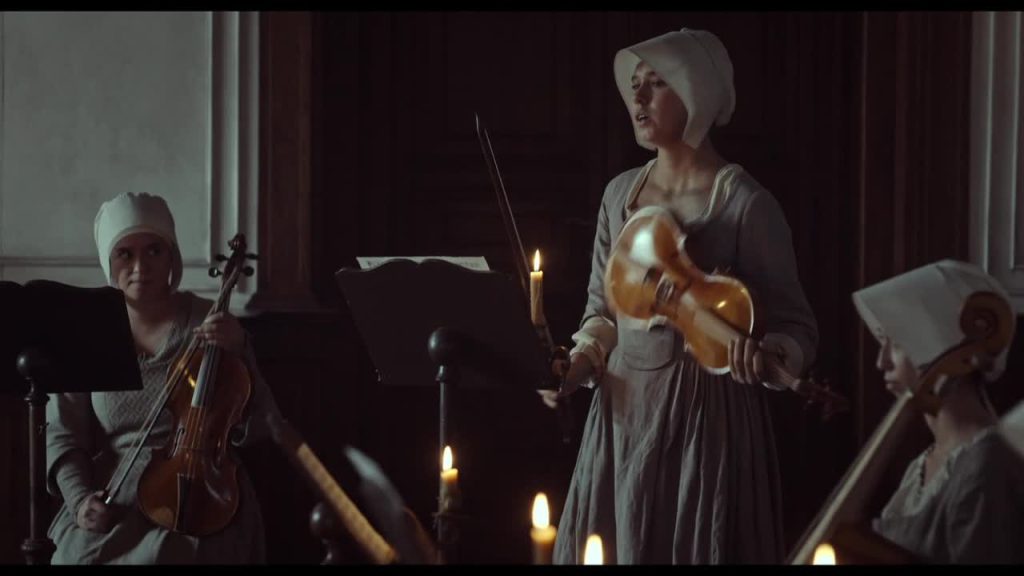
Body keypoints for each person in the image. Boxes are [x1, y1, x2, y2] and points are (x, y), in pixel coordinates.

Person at [542, 28, 818, 564]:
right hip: (623, 411)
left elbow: (797, 324)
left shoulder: (745, 203)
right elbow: (603, 311)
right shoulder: (618, 195)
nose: (639, 96)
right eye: (635, 84)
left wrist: (771, 353)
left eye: (658, 83)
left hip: (704, 419)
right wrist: (577, 365)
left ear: (696, 92)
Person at [45, 192, 281, 564]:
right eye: (125, 253)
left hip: (201, 493)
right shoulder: (87, 333)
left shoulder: (210, 322)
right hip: (116, 492)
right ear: (108, 261)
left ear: (172, 257)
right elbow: (63, 433)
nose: (141, 266)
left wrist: (239, 351)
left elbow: (265, 421)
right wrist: (79, 500)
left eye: (154, 250)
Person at [854, 259, 1024, 564]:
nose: (882, 361)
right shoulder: (922, 464)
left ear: (937, 344)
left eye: (896, 343)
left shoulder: (986, 465)